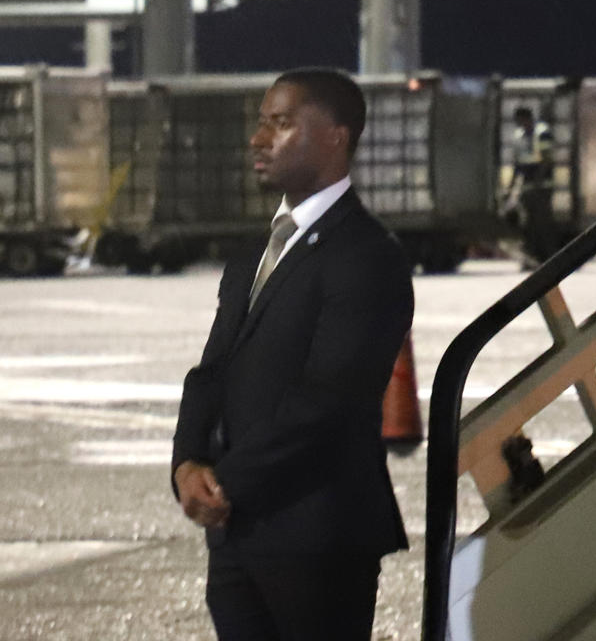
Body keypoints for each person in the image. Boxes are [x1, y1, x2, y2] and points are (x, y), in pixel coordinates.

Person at [171, 69, 414, 641]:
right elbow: (211, 374)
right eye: (261, 124)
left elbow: (330, 399)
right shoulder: (256, 250)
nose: (259, 140)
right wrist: (186, 464)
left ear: (335, 135)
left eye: (280, 124)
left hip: (318, 537)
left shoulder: (367, 255)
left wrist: (226, 482)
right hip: (238, 536)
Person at [506, 105, 559, 263]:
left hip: (542, 187)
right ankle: (533, 257)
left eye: (519, 120)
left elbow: (547, 159)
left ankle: (551, 257)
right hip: (527, 188)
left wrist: (538, 181)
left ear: (526, 118)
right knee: (529, 225)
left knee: (543, 224)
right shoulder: (519, 136)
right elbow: (518, 165)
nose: (518, 124)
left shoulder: (542, 133)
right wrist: (511, 187)